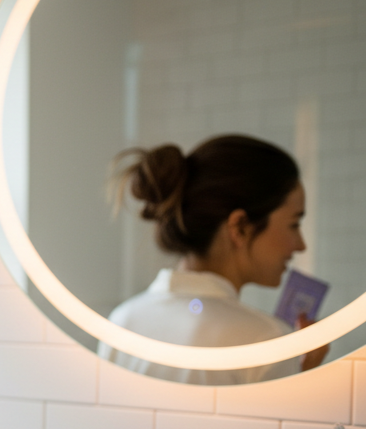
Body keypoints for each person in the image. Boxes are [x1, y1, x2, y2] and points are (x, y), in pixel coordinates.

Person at [100, 134, 328, 385]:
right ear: (240, 226)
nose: (301, 245)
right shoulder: (265, 340)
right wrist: (300, 377)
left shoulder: (122, 321)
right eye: (294, 224)